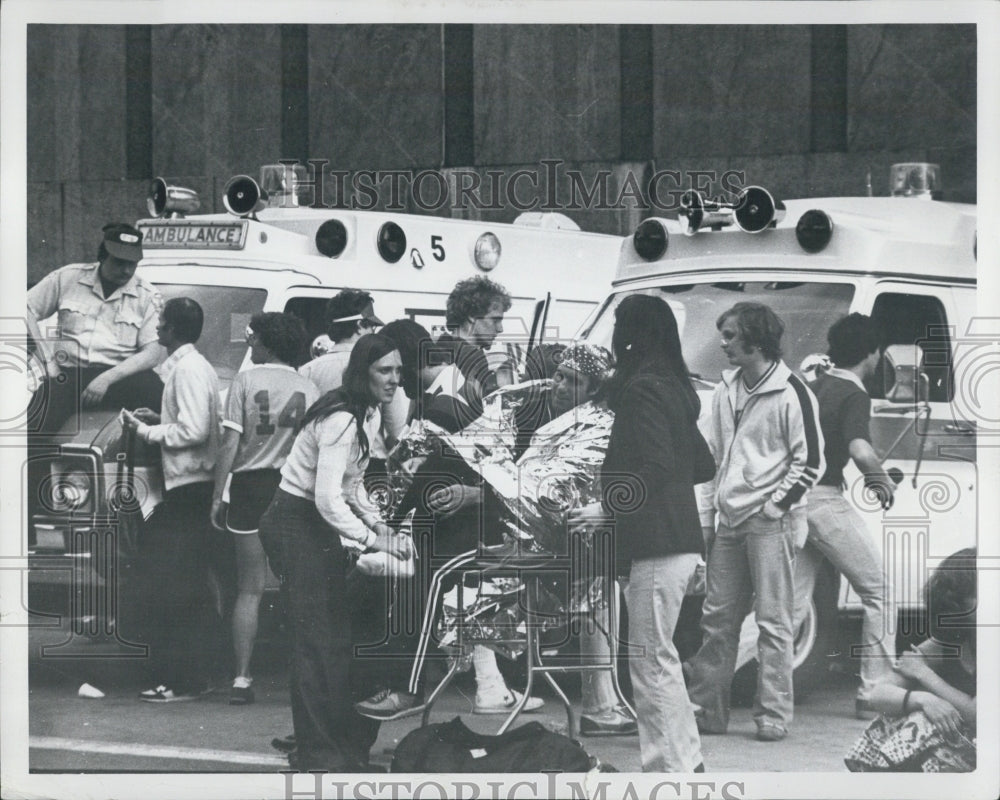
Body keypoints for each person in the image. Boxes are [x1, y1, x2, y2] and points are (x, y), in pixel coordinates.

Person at [353, 319, 543, 720]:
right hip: (476, 518)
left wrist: (377, 514)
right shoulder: (465, 388)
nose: (396, 382)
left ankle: (409, 689)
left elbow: (408, 473)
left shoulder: (444, 406)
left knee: (418, 590)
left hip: (466, 526)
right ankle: (478, 686)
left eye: (397, 370)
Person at [257, 333, 411, 771]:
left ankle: (331, 750)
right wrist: (371, 539)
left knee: (333, 643)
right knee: (315, 644)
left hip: (311, 523)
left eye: (398, 371)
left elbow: (351, 485)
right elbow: (326, 499)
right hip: (292, 520)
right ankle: (316, 754)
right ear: (363, 372)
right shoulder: (342, 418)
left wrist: (380, 524)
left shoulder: (367, 414)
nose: (394, 380)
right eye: (385, 371)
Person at [570, 296, 710, 770]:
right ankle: (686, 762)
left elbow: (656, 463)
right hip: (678, 539)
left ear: (631, 333)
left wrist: (608, 507)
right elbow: (701, 463)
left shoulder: (642, 390)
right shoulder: (674, 386)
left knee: (650, 666)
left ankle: (669, 770)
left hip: (656, 543)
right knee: (660, 661)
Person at [685, 301, 825, 742]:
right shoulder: (725, 389)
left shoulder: (791, 390)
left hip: (769, 521)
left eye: (730, 336)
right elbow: (712, 457)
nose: (723, 344)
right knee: (717, 620)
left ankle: (773, 715)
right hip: (729, 521)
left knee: (773, 622)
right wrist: (709, 514)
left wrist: (774, 508)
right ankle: (708, 711)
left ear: (756, 340)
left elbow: (812, 461)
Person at [211, 313, 318, 705]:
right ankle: (304, 676)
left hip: (251, 490)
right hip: (293, 490)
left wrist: (217, 494)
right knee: (298, 587)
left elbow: (229, 444)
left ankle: (241, 678)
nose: (250, 344)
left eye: (253, 338)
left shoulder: (245, 381)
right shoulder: (309, 386)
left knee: (249, 589)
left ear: (269, 342)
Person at [120, 297, 221, 702]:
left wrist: (146, 433)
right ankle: (192, 674)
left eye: (161, 325)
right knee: (187, 584)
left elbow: (194, 429)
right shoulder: (193, 367)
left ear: (174, 330)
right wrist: (159, 421)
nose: (157, 331)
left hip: (190, 487)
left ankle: (183, 678)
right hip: (193, 487)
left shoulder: (188, 369)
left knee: (174, 584)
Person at [796, 313, 896, 720]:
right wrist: (881, 482)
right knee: (879, 592)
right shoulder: (855, 393)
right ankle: (874, 692)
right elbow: (859, 450)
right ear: (872, 353)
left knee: (788, 605)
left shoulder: (813, 386)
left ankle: (709, 674)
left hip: (794, 502)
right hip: (824, 501)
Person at [846, 548, 976, 772]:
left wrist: (924, 674)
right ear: (957, 602)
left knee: (924, 724)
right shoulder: (950, 644)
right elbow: (877, 695)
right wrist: (923, 699)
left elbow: (980, 714)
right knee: (893, 721)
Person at [27, 222, 164, 425]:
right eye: (119, 262)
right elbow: (25, 308)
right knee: (34, 426)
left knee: (161, 413)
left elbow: (152, 353)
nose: (126, 270)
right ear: (102, 256)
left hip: (121, 378)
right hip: (69, 374)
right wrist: (47, 362)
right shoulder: (68, 278)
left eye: (132, 264)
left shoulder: (147, 296)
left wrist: (106, 379)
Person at [298, 288, 407, 467]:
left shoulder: (308, 370)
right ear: (359, 325)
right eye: (371, 325)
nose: (374, 331)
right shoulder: (382, 364)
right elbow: (396, 428)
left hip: (320, 462)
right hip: (369, 463)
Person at [435, 275, 513, 422]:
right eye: (495, 320)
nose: (500, 328)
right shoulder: (472, 358)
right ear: (472, 316)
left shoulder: (436, 348)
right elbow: (478, 423)